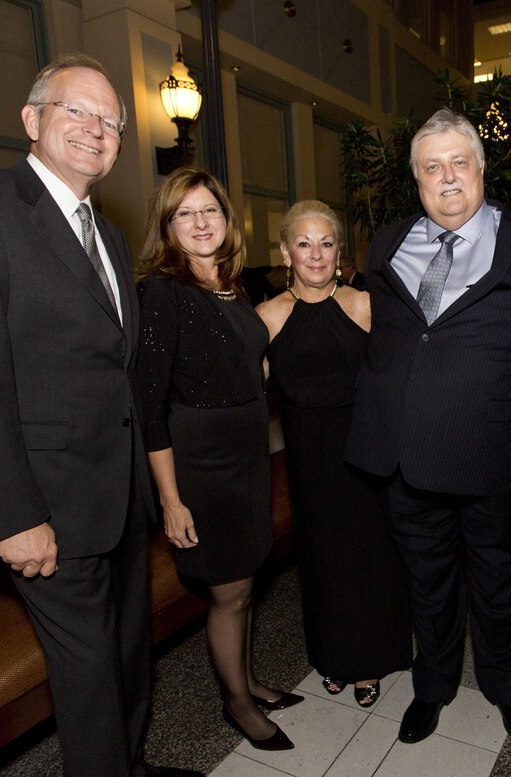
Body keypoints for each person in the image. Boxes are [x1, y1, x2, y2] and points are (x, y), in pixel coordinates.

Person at [0, 54, 200, 777]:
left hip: (117, 502)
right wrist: (10, 513)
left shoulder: (103, 235)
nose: (96, 129)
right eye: (77, 110)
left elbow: (113, 371)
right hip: (44, 507)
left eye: (110, 121)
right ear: (32, 119)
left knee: (131, 661)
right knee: (90, 677)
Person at [344, 108, 511, 747]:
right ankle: (432, 687)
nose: (448, 177)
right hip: (405, 458)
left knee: (501, 584)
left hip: (493, 457)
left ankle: (508, 688)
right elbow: (389, 333)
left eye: (460, 162)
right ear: (416, 179)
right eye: (432, 167)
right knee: (426, 586)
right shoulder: (386, 242)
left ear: (482, 168)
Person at [136, 168, 300, 752]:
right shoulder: (162, 293)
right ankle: (234, 702)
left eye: (210, 211)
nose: (201, 223)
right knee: (228, 593)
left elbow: (249, 361)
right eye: (186, 213)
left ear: (227, 219)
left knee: (247, 583)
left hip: (248, 458)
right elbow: (149, 406)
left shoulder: (232, 283)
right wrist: (171, 499)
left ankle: (248, 680)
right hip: (203, 469)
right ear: (167, 225)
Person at [257, 200, 412, 709]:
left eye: (326, 243)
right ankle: (333, 656)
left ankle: (370, 659)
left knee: (369, 557)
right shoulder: (267, 318)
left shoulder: (365, 305)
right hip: (307, 458)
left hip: (364, 452)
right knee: (322, 561)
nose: (316, 254)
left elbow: (398, 380)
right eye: (304, 243)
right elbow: (239, 396)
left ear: (340, 251)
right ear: (285, 252)